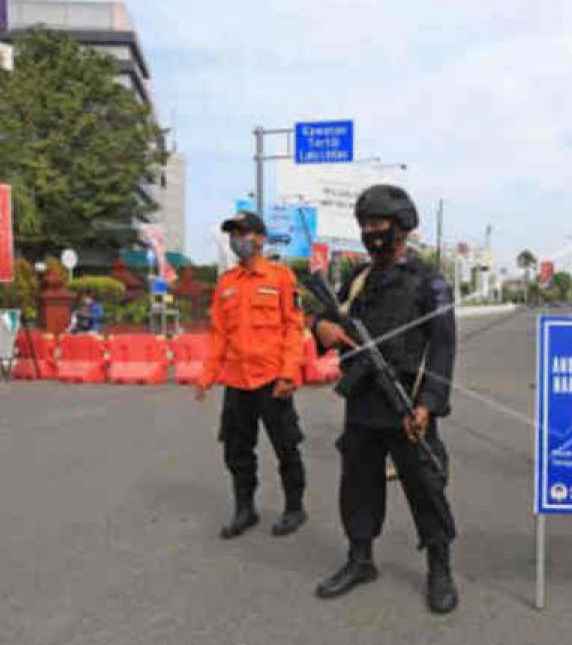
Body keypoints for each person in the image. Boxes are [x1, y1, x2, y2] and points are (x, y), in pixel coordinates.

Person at [310, 184, 459, 614]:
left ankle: (440, 567)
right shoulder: (358, 279)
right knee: (357, 483)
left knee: (426, 485)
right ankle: (360, 560)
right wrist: (321, 329)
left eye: (378, 224)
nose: (371, 233)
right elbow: (326, 315)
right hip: (362, 400)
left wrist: (428, 403)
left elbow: (444, 348)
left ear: (402, 227)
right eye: (365, 226)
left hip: (409, 402)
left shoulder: (429, 282)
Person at [195, 211, 309, 540]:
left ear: (260, 238)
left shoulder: (281, 277)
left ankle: (294, 508)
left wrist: (289, 374)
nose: (236, 239)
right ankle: (245, 509)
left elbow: (294, 328)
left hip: (273, 380)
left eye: (243, 233)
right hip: (237, 382)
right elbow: (219, 335)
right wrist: (207, 376)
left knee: (287, 446)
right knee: (236, 450)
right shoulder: (226, 284)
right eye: (232, 233)